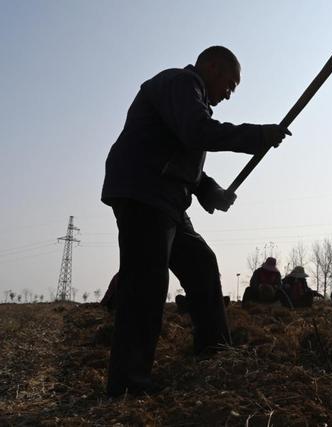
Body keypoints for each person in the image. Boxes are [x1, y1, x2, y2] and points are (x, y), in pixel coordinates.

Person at [100, 46, 290, 397]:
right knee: (146, 286)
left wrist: (210, 191)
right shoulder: (182, 82)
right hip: (144, 191)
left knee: (202, 264)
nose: (230, 93)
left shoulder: (190, 98)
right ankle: (128, 384)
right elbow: (196, 132)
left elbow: (183, 156)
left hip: (167, 198)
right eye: (230, 83)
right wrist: (256, 135)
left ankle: (214, 352)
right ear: (211, 66)